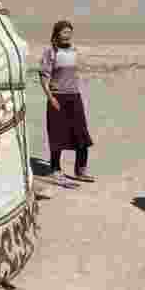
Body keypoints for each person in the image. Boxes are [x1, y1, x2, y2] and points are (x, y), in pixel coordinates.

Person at [39, 20, 95, 184]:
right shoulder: (50, 53)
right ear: (57, 34)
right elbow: (43, 76)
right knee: (57, 134)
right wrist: (50, 97)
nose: (68, 35)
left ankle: (81, 170)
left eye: (70, 32)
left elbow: (75, 74)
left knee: (81, 133)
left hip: (74, 96)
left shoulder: (74, 52)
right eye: (64, 32)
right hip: (57, 97)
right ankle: (55, 169)